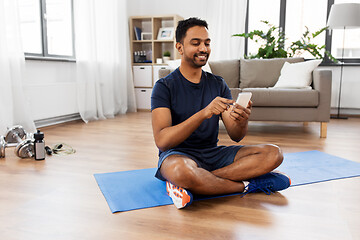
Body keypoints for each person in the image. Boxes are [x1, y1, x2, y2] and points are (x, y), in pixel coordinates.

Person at [151, 17, 290, 209]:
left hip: (213, 155)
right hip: (177, 156)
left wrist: (242, 120)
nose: (204, 48)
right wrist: (204, 113)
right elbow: (162, 141)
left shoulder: (217, 83)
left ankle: (195, 184)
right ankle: (247, 185)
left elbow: (236, 135)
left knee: (274, 154)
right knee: (182, 171)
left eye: (207, 43)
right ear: (180, 47)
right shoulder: (164, 87)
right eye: (196, 43)